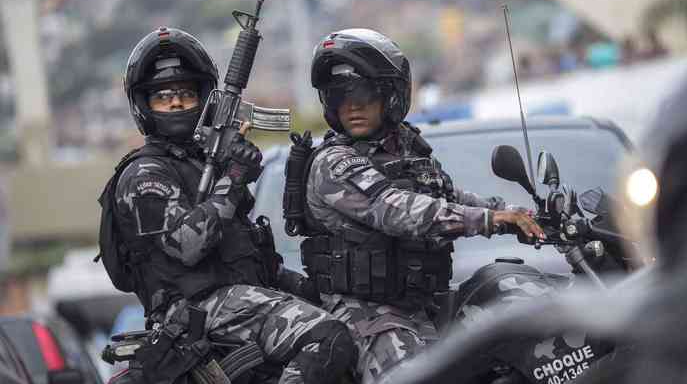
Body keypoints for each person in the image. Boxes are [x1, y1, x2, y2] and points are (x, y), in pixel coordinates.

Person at [100, 27, 355, 384]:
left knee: (350, 319)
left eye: (186, 94)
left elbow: (241, 250)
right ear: (144, 106)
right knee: (325, 338)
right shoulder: (143, 175)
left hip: (239, 294)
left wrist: (318, 287)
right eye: (163, 96)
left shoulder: (203, 163)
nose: (175, 103)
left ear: (203, 99)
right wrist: (233, 178)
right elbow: (186, 246)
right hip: (195, 310)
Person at [300, 28, 545, 382]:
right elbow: (395, 209)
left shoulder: (407, 150)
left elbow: (448, 197)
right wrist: (489, 219)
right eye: (339, 96)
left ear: (390, 94)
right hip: (369, 315)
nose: (351, 105)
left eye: (364, 93)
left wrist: (518, 215)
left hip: (424, 306)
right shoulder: (334, 163)